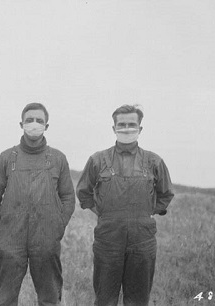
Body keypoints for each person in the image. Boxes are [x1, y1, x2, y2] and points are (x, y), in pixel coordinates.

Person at [76, 104, 174, 306]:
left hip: (142, 241)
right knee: (104, 299)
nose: (127, 128)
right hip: (108, 241)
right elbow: (84, 193)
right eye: (122, 124)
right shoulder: (97, 160)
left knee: (138, 301)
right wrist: (103, 212)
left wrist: (147, 213)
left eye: (132, 124)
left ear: (140, 128)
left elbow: (166, 194)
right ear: (113, 128)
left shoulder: (154, 161)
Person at [0, 103, 75, 306]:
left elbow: (68, 197)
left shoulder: (58, 159)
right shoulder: (8, 157)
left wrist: (58, 227)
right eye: (29, 120)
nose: (34, 124)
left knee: (49, 299)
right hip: (11, 239)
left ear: (47, 125)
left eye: (39, 120)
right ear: (21, 124)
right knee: (4, 300)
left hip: (46, 239)